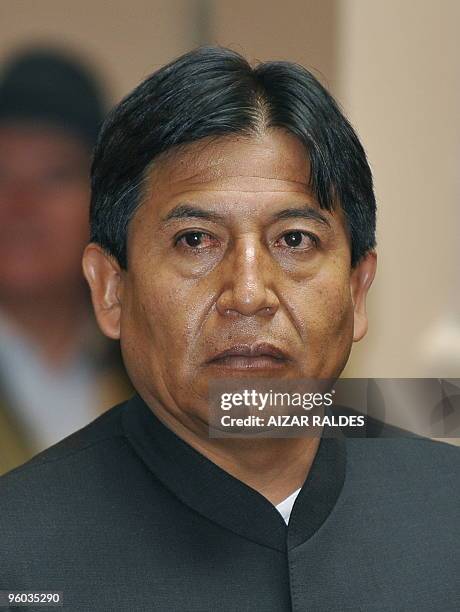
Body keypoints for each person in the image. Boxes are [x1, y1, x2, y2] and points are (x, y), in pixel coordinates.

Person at [0, 47, 458, 611]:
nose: (247, 294)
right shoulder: (17, 554)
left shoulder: (448, 511)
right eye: (195, 240)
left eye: (294, 240)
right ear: (111, 289)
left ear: (358, 290)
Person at [0, 49, 131, 474]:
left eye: (55, 175)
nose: (22, 203)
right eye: (1, 176)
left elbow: (322, 417)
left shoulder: (152, 365)